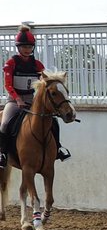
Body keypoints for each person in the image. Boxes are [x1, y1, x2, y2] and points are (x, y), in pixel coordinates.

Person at [1, 24, 69, 167]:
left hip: (32, 100)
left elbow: (45, 82)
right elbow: (8, 85)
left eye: (30, 47)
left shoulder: (37, 65)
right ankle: (2, 153)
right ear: (18, 47)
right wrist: (18, 99)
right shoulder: (11, 63)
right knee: (5, 124)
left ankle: (58, 149)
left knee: (53, 122)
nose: (27, 50)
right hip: (14, 101)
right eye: (24, 47)